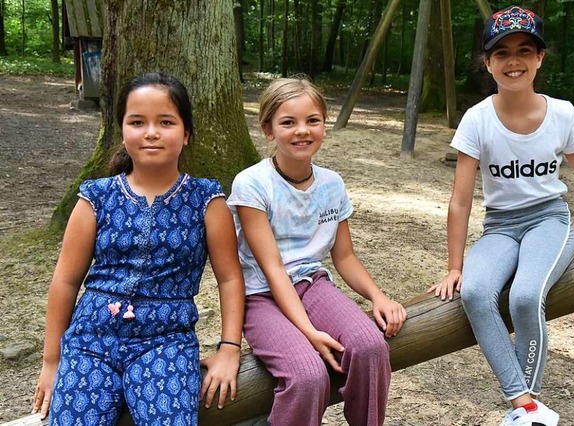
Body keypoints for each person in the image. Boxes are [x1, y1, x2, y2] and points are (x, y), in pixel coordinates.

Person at [428, 5, 574, 426]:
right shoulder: (477, 119)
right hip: (500, 227)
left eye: (525, 50)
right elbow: (460, 200)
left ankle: (526, 411)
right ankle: (525, 407)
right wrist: (455, 266)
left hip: (549, 221)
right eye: (502, 53)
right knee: (473, 292)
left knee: (525, 297)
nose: (514, 61)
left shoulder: (561, 113)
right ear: (488, 64)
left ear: (539, 58)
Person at [31, 72, 245, 425]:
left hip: (166, 342)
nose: (151, 132)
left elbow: (230, 279)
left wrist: (229, 349)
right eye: (137, 121)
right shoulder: (95, 198)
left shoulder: (207, 200)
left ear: (186, 133)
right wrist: (52, 361)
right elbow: (66, 281)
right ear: (122, 131)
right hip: (91, 339)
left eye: (166, 122)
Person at [227, 77, 407, 426]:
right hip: (261, 296)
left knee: (370, 348)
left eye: (313, 120)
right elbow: (273, 268)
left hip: (313, 284)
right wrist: (308, 332)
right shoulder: (252, 184)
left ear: (324, 124)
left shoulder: (332, 184)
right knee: (308, 375)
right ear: (268, 130)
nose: (302, 131)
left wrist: (378, 297)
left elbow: (344, 257)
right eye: (288, 122)